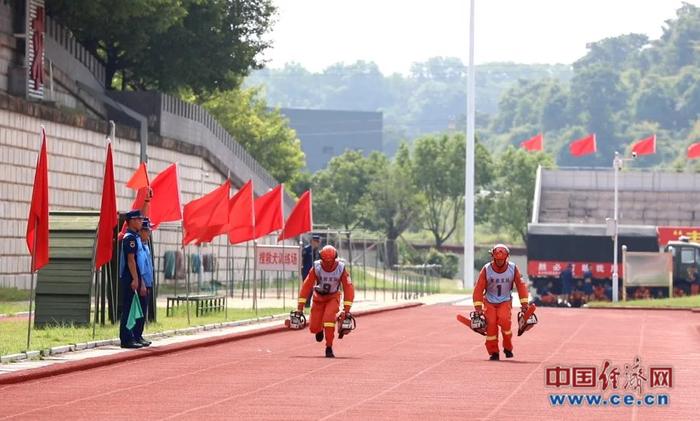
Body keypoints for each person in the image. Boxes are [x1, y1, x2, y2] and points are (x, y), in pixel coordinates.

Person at [472, 244, 530, 360]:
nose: (499, 262)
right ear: (493, 257)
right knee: (491, 325)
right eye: (497, 259)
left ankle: (508, 347)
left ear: (507, 258)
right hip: (489, 301)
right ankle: (493, 352)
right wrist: (478, 308)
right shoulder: (486, 269)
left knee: (505, 322)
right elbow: (479, 288)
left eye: (501, 260)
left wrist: (524, 305)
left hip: (505, 301)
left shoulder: (513, 268)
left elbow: (521, 285)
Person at [296, 245, 355, 358]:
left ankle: (329, 347)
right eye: (325, 261)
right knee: (313, 328)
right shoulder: (316, 267)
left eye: (330, 261)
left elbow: (348, 288)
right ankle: (319, 329)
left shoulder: (341, 268)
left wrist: (346, 310)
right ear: (321, 259)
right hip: (318, 297)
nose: (328, 263)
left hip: (333, 297)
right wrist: (300, 307)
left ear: (335, 258)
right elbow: (306, 286)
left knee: (329, 319)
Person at [119, 209, 145, 349]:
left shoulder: (135, 236)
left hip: (134, 275)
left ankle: (131, 337)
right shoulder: (129, 238)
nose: (141, 222)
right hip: (129, 275)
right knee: (128, 308)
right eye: (139, 219)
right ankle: (126, 338)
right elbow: (131, 261)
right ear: (132, 221)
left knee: (132, 308)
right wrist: (135, 279)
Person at [133, 218, 154, 347]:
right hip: (142, 283)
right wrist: (142, 283)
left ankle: (139, 335)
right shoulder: (138, 246)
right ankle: (135, 335)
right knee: (138, 311)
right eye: (147, 230)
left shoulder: (145, 246)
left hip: (147, 282)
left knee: (143, 310)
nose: (149, 233)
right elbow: (140, 267)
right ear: (141, 231)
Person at [301, 234, 321, 308]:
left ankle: (311, 303)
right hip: (306, 271)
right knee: (307, 287)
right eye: (315, 241)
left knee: (314, 288)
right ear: (312, 241)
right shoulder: (306, 250)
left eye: (318, 242)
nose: (316, 243)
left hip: (316, 272)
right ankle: (306, 303)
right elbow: (302, 260)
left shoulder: (318, 252)